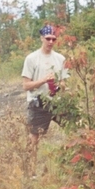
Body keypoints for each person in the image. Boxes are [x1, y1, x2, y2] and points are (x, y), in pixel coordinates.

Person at [21, 24, 69, 176]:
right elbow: (26, 85)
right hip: (38, 103)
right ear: (41, 38)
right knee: (34, 137)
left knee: (74, 128)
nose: (51, 42)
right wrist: (42, 81)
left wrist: (59, 86)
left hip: (57, 102)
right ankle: (30, 173)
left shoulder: (60, 58)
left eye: (54, 39)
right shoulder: (32, 58)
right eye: (48, 38)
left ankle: (75, 167)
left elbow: (64, 82)